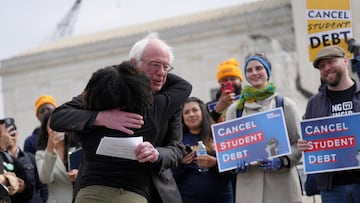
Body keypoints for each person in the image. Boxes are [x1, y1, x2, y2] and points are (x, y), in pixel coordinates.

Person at [50, 32, 192, 203]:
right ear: (134, 63)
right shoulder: (106, 90)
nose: (161, 73)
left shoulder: (168, 99)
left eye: (166, 67)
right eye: (155, 64)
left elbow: (176, 149)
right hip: (98, 184)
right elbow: (59, 117)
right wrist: (101, 117)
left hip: (153, 189)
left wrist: (156, 154)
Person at [225, 52, 302, 203]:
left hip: (283, 188)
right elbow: (230, 150)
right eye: (249, 70)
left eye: (259, 68)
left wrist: (282, 161)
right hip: (249, 190)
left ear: (268, 72)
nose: (254, 73)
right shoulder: (235, 110)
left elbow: (298, 144)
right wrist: (235, 164)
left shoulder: (285, 105)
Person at [297, 45, 360, 202]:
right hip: (332, 188)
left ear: (345, 61)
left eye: (331, 62)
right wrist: (303, 145)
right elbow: (310, 138)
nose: (326, 68)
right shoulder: (314, 103)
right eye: (321, 66)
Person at [172, 97, 234, 203]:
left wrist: (215, 163)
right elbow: (170, 176)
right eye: (186, 112)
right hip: (188, 198)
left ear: (203, 112)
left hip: (221, 197)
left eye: (195, 110)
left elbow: (234, 170)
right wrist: (182, 164)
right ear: (182, 117)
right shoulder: (177, 141)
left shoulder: (220, 135)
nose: (191, 114)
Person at [35, 112, 80, 203]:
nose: (56, 129)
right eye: (52, 125)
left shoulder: (77, 148)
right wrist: (50, 149)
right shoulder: (41, 153)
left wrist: (79, 174)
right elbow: (45, 178)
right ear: (46, 129)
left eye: (59, 123)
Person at [7, 118, 48, 203]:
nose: (10, 138)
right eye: (7, 135)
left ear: (17, 134)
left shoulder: (31, 158)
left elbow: (42, 186)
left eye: (13, 134)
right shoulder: (2, 159)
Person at [0, 118, 33, 203]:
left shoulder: (11, 160)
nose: (9, 136)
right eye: (6, 132)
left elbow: (30, 190)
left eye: (13, 134)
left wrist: (23, 188)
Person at [207, 58, 243, 122]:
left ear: (240, 80)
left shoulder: (251, 98)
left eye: (233, 79)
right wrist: (217, 110)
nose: (229, 83)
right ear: (219, 83)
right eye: (225, 80)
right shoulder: (209, 107)